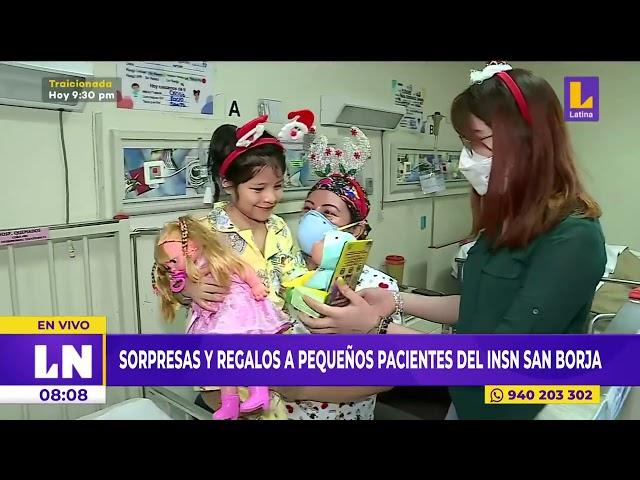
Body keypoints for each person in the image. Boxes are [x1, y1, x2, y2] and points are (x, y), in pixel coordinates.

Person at [294, 62, 607, 420]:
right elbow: (479, 303)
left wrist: (375, 328)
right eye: (466, 144)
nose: (466, 162)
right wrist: (393, 300)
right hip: (469, 400)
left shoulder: (572, 238)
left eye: (481, 143)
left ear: (532, 142)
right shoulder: (507, 223)